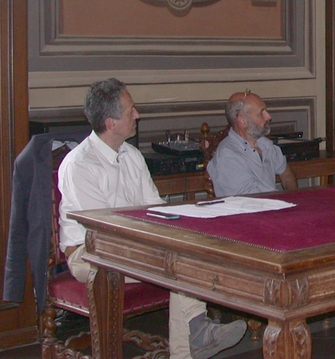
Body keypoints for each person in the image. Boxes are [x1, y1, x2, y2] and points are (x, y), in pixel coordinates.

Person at [58, 79, 247, 359]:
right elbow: (103, 229)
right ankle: (195, 337)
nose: (137, 115)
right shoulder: (79, 165)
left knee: (184, 257)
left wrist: (185, 221)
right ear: (111, 122)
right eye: (130, 111)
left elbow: (155, 208)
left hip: (133, 243)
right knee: (176, 264)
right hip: (90, 253)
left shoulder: (132, 156)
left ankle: (195, 335)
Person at [208, 91, 335, 347]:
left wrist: (297, 200)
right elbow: (249, 205)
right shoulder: (228, 155)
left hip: (275, 217)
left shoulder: (263, 145)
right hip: (248, 230)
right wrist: (292, 213)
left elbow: (286, 172)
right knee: (324, 238)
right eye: (261, 112)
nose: (268, 116)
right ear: (241, 121)